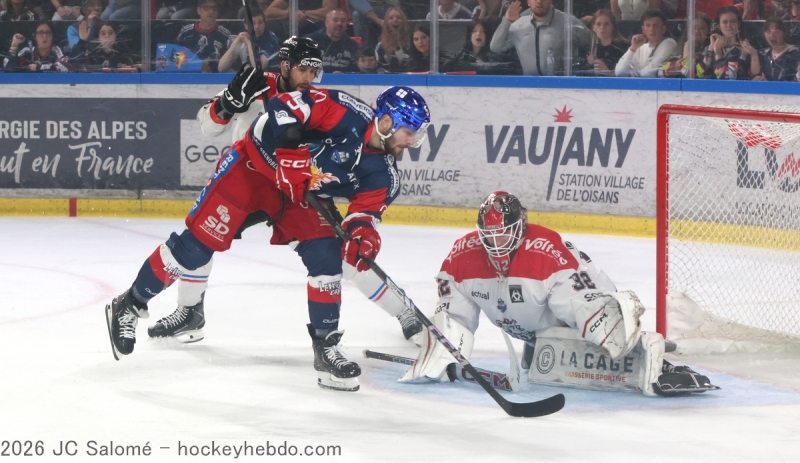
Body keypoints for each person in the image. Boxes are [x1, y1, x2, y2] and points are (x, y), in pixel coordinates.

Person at [105, 70, 431, 393]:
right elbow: (282, 106)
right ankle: (130, 303)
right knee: (194, 249)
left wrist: (363, 238)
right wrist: (289, 154)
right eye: (410, 131)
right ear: (387, 122)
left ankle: (326, 348)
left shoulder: (384, 175)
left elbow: (365, 215)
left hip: (299, 193)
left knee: (327, 257)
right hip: (252, 168)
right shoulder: (343, 110)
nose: (413, 141)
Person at [149, 38, 425, 347]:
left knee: (344, 254)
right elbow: (208, 127)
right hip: (253, 179)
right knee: (205, 238)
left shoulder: (316, 102)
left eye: (315, 72)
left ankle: (403, 311)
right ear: (285, 67)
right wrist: (228, 101)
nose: (309, 79)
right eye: (303, 70)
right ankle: (189, 312)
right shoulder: (255, 86)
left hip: (297, 192)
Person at [400, 191, 718, 398]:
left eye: (504, 235)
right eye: (489, 237)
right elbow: (453, 322)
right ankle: (540, 344)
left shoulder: (545, 255)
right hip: (534, 323)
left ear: (520, 226)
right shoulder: (460, 258)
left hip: (587, 302)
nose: (496, 245)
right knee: (543, 350)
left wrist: (634, 351)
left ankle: (658, 362)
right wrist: (443, 353)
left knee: (595, 327)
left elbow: (587, 310)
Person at [490, 0, 590, 76]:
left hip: (561, 86)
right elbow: (495, 47)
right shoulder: (519, 26)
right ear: (529, 2)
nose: (539, 1)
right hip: (530, 86)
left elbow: (590, 41)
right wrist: (506, 21)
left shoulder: (567, 22)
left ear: (550, 1)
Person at [175, 0, 234, 72]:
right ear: (198, 10)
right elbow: (176, 60)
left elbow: (229, 64)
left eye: (214, 8)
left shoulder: (225, 35)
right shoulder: (185, 32)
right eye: (206, 8)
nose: (211, 11)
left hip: (216, 80)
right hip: (188, 78)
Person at [700, 6, 761, 80]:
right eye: (725, 22)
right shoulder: (710, 49)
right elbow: (699, 73)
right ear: (719, 25)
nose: (729, 25)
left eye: (733, 21)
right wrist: (711, 47)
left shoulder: (745, 49)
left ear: (738, 24)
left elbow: (726, 78)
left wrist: (718, 51)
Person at [615, 10, 677, 77]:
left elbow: (649, 73)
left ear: (663, 28)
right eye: (648, 25)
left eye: (656, 25)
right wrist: (632, 49)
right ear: (643, 29)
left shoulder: (669, 43)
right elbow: (619, 71)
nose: (652, 29)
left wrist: (634, 73)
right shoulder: (640, 48)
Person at [308, 8, 360, 73]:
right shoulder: (310, 41)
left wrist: (344, 75)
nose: (339, 23)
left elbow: (356, 70)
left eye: (343, 21)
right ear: (326, 23)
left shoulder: (352, 45)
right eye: (335, 20)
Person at [3, 20, 69, 71]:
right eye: (40, 33)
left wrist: (38, 68)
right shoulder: (27, 51)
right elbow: (7, 66)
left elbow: (65, 67)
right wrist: (14, 45)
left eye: (48, 32)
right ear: (35, 36)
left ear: (52, 36)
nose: (45, 36)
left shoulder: (57, 50)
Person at [70, 21, 135, 71]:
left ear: (115, 36)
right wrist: (82, 41)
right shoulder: (92, 53)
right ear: (98, 38)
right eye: (103, 33)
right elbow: (75, 63)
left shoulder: (123, 53)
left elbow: (132, 66)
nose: (107, 36)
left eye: (110, 33)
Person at [755, 17, 800, 81]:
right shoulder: (764, 54)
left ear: (784, 33)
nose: (772, 35)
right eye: (768, 31)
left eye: (776, 31)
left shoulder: (795, 53)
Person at [586, 9, 629, 76]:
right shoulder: (590, 48)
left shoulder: (623, 47)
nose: (602, 27)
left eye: (607, 24)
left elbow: (629, 74)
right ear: (593, 27)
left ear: (613, 26)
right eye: (598, 24)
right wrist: (590, 64)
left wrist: (609, 73)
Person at [374, 6, 410, 72]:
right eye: (391, 18)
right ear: (386, 23)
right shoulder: (380, 46)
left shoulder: (412, 43)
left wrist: (398, 48)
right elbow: (378, 68)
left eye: (398, 17)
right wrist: (388, 53)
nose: (395, 20)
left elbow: (409, 65)